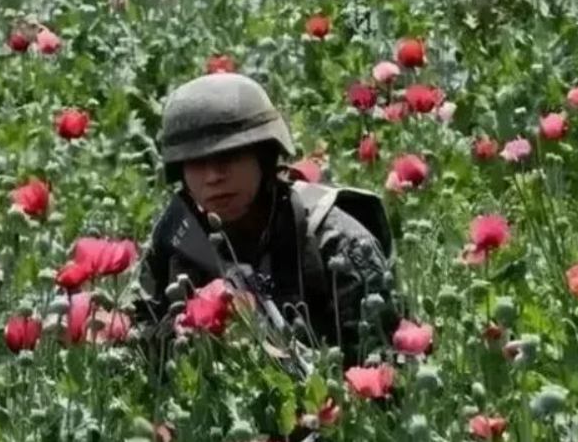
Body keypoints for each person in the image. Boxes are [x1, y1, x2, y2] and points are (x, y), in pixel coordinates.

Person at [135, 72, 401, 370]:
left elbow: (383, 367)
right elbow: (136, 352)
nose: (213, 177)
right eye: (196, 162)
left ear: (264, 157)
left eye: (229, 156)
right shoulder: (176, 241)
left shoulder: (337, 241)